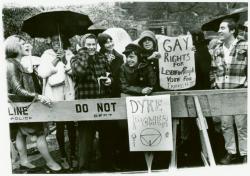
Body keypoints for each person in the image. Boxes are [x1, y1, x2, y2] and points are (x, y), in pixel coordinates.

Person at [5, 35, 62, 173]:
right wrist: (38, 96)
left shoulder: (19, 63)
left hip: (24, 105)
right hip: (24, 105)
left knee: (20, 133)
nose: (27, 45)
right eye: (22, 43)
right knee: (39, 133)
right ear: (13, 46)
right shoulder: (11, 64)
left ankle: (24, 161)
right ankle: (50, 163)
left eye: (27, 43)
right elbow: (18, 89)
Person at [70, 33, 112, 171]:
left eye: (94, 45)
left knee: (106, 136)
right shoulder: (76, 58)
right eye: (88, 45)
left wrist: (109, 80)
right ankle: (84, 168)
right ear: (83, 46)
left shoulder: (102, 57)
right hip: (85, 103)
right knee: (85, 138)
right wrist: (84, 54)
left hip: (102, 103)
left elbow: (108, 73)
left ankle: (106, 165)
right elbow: (80, 72)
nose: (92, 47)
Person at [210, 18, 247, 164]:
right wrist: (214, 86)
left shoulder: (245, 45)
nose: (219, 31)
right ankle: (231, 152)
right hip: (222, 92)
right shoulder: (217, 49)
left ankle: (246, 153)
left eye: (222, 28)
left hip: (240, 91)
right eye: (219, 28)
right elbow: (213, 70)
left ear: (232, 30)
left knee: (242, 125)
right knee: (225, 125)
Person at [37, 34, 76, 170]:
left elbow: (74, 71)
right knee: (59, 125)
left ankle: (73, 155)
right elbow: (42, 73)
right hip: (55, 94)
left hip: (68, 92)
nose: (55, 43)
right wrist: (55, 60)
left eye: (58, 40)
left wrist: (64, 59)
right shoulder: (46, 55)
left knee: (71, 125)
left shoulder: (69, 53)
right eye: (53, 41)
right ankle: (63, 156)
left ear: (63, 41)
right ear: (50, 43)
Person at [97, 33, 124, 170]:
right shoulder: (97, 55)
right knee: (104, 129)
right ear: (101, 45)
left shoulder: (119, 57)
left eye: (110, 41)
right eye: (106, 42)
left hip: (115, 94)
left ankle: (117, 159)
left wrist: (112, 81)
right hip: (101, 96)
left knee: (115, 128)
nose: (109, 44)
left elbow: (120, 77)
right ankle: (106, 160)